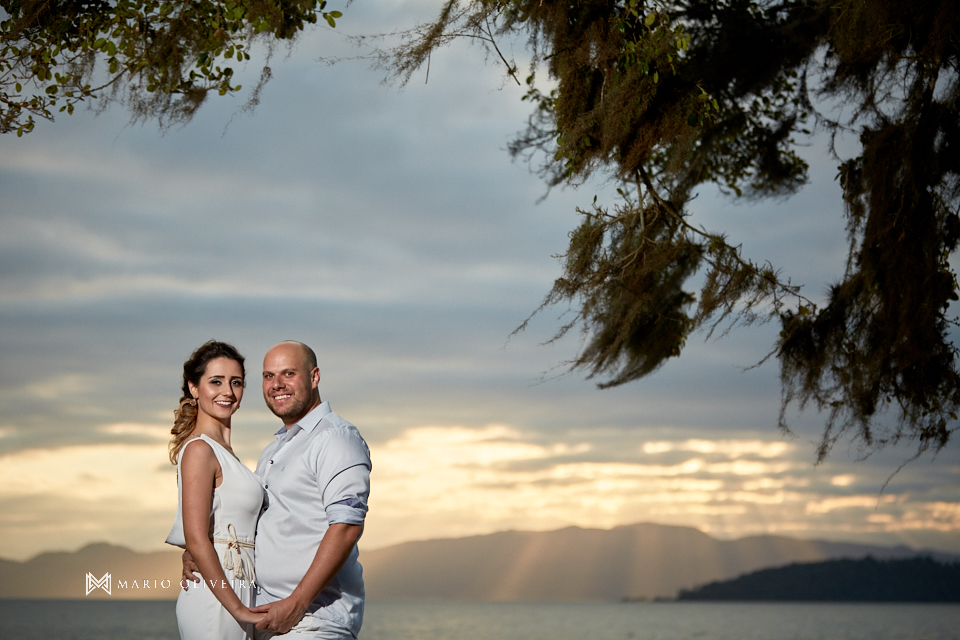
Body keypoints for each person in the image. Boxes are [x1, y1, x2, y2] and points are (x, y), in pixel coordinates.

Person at [183, 341, 372, 639]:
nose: (277, 384)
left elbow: (346, 525)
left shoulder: (335, 438)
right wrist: (205, 548)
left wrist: (297, 603)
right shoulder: (274, 450)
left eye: (288, 374)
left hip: (313, 622)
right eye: (268, 376)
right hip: (268, 620)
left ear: (314, 377)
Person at [166, 340, 266, 640]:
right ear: (194, 388)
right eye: (216, 381)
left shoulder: (225, 453)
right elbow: (196, 538)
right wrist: (237, 609)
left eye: (236, 382)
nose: (228, 391)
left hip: (240, 586)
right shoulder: (199, 449)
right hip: (218, 596)